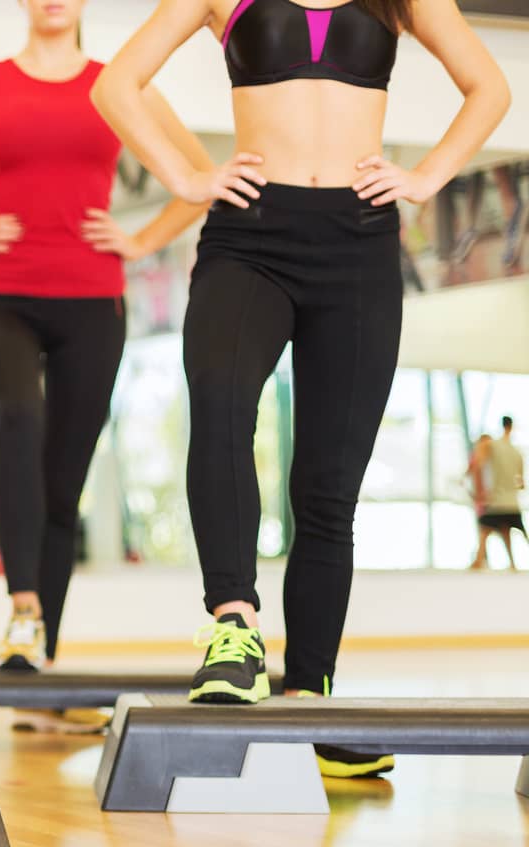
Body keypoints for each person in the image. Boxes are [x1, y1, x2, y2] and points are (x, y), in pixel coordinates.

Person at [93, 0, 509, 777]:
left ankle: (311, 694)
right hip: (249, 234)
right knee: (218, 401)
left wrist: (424, 176)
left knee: (328, 484)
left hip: (359, 245)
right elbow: (117, 84)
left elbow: (488, 86)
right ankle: (233, 627)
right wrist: (188, 175)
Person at [0, 0, 212, 675]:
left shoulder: (120, 85)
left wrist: (140, 240)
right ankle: (23, 609)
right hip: (1, 297)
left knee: (64, 482)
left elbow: (199, 178)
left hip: (93, 302)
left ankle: (39, 653)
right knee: (18, 419)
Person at [471, 416, 525, 569]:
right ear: (511, 427)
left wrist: (479, 490)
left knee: (484, 531)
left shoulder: (491, 445)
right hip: (512, 503)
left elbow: (477, 465)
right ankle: (512, 564)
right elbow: (521, 483)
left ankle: (478, 562)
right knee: (507, 530)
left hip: (497, 501)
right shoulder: (517, 452)